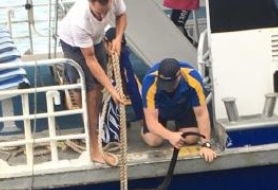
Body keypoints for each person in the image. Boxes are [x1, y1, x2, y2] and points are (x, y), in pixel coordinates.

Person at [58, 0, 127, 166]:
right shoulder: (79, 21)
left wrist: (118, 37)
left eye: (105, 12)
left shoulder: (115, 1)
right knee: (91, 90)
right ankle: (94, 148)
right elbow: (90, 60)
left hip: (96, 39)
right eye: (98, 14)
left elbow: (121, 15)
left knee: (99, 86)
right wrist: (113, 90)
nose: (103, 17)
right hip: (73, 44)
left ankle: (93, 120)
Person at [141, 58, 216, 163]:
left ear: (179, 75)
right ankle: (147, 130)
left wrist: (206, 144)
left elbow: (202, 114)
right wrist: (170, 136)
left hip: (183, 108)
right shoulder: (149, 82)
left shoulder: (193, 78)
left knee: (191, 138)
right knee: (154, 141)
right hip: (159, 111)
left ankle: (179, 128)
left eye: (170, 84)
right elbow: (152, 121)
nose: (167, 88)